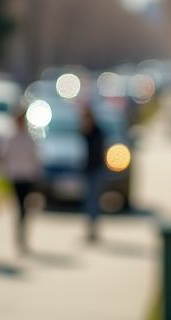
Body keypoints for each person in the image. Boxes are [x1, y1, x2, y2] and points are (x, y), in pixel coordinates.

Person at [1, 107, 41, 253]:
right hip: (15, 176)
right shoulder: (10, 138)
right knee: (19, 207)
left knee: (25, 208)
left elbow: (35, 159)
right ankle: (19, 235)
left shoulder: (29, 138)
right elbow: (4, 157)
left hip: (27, 177)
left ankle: (22, 234)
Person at [79, 104, 107, 243]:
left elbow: (98, 152)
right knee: (88, 200)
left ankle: (93, 229)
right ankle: (90, 228)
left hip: (96, 169)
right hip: (87, 170)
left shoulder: (97, 133)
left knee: (93, 200)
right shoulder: (84, 132)